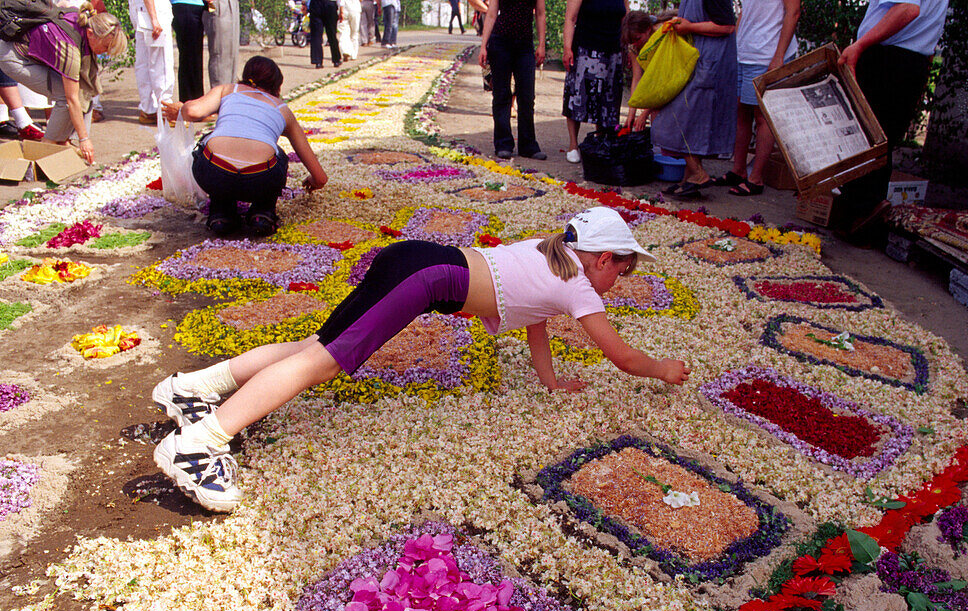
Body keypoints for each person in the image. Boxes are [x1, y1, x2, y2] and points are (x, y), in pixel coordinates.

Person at [151, 207, 690, 512]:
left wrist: (548, 382)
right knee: (324, 361)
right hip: (425, 279)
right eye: (622, 269)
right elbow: (619, 356)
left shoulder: (550, 250)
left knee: (316, 347)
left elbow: (535, 321)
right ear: (600, 258)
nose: (621, 279)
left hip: (412, 257)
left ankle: (192, 389)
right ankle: (197, 444)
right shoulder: (581, 288)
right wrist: (665, 369)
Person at [836, 0, 948, 242]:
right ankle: (860, 215)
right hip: (911, 60)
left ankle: (863, 215)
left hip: (888, 56)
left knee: (867, 138)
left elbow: (908, 9)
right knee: (881, 139)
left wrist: (860, 45)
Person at [180, 56, 328, 237]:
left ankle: (221, 212)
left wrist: (177, 109)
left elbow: (191, 111)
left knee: (209, 142)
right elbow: (320, 178)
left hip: (213, 174)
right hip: (260, 181)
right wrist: (312, 182)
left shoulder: (228, 90)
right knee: (278, 154)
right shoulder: (282, 108)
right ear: (277, 85)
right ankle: (263, 211)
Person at [622, 2, 737, 198]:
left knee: (676, 119)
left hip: (709, 61)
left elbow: (727, 27)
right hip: (695, 59)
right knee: (689, 123)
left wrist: (690, 28)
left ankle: (699, 175)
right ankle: (688, 178)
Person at [0, 2, 126, 165]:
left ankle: (63, 142)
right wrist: (84, 139)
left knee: (81, 91)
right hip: (13, 57)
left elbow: (87, 91)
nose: (107, 52)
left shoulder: (84, 23)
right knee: (64, 96)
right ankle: (47, 146)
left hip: (26, 53)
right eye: (106, 46)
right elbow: (72, 99)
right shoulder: (70, 48)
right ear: (90, 34)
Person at [723, 0, 798, 195]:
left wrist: (779, 56)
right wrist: (735, 48)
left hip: (767, 54)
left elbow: (793, 12)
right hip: (744, 53)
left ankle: (756, 178)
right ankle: (738, 170)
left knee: (762, 116)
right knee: (741, 111)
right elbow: (744, 13)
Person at [561, 0, 628, 163]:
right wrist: (567, 48)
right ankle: (573, 145)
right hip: (585, 48)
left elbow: (625, 18)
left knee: (608, 99)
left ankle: (600, 142)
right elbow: (570, 18)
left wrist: (626, 47)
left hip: (612, 50)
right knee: (577, 96)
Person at [480, 0, 547, 160]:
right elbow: (491, 13)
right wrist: (484, 45)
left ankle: (528, 145)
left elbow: (540, 13)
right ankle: (503, 143)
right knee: (501, 94)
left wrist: (542, 44)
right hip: (500, 42)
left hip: (524, 45)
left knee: (526, 95)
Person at [129, 0, 174, 125]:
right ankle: (166, 110)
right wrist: (154, 18)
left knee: (144, 62)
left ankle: (148, 109)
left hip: (140, 9)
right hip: (154, 9)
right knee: (161, 63)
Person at [205, 0, 240, 88]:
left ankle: (229, 96)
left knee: (232, 55)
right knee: (220, 55)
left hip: (232, 4)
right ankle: (219, 97)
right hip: (219, 5)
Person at [308, 0, 341, 67]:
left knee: (316, 34)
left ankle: (318, 61)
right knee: (332, 33)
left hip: (316, 4)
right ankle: (336, 59)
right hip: (330, 4)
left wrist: (304, 3)